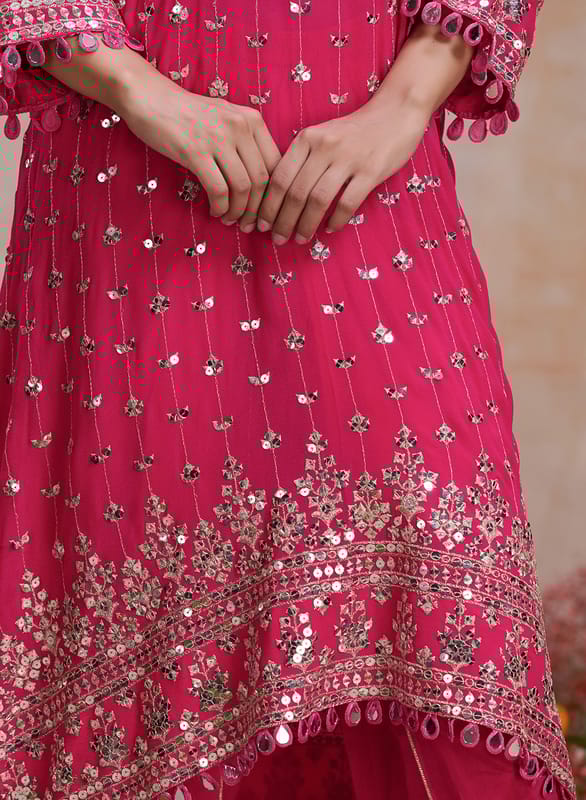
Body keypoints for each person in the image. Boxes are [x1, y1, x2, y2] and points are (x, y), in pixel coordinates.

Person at [0, 0, 576, 798]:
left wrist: (405, 103)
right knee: (149, 577)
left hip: (373, 178)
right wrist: (132, 86)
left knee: (437, 570)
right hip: (128, 185)